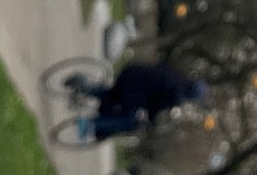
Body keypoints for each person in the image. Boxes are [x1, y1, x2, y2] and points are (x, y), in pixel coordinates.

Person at [69, 60, 208, 140]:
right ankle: (92, 124)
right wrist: (152, 121)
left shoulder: (176, 73)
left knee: (114, 95)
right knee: (129, 120)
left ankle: (84, 86)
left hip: (130, 72)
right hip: (132, 93)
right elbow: (155, 105)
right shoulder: (177, 95)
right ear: (192, 96)